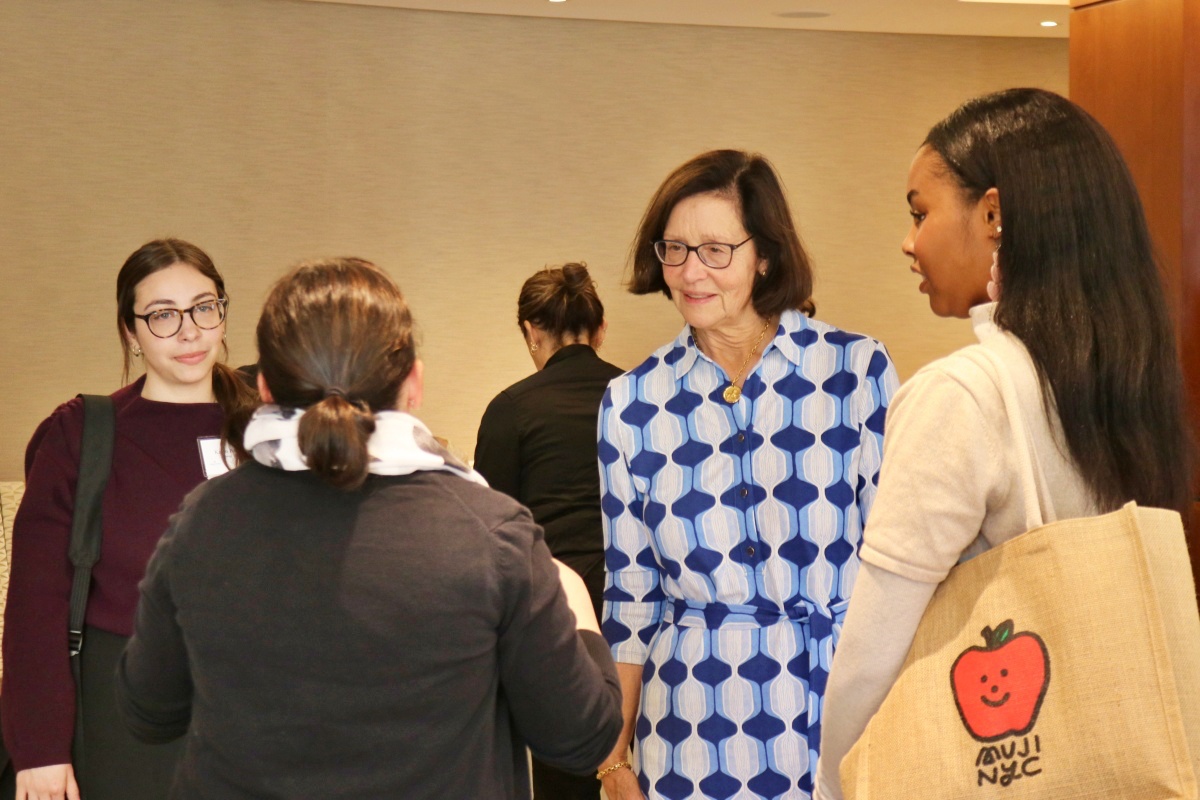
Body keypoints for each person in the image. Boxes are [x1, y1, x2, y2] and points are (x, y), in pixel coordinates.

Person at [115, 257, 624, 798]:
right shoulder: (492, 536)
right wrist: (577, 610)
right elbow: (581, 738)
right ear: (414, 383)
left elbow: (149, 711)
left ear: (264, 388)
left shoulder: (201, 521)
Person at [812, 88, 1193, 800]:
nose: (909, 241)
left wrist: (835, 777)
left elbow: (875, 645)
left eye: (920, 212)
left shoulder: (961, 393)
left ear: (992, 215)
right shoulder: (1126, 382)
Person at [595, 149, 899, 800]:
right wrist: (614, 759)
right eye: (674, 249)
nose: (689, 272)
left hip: (837, 713)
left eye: (715, 250)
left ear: (765, 253)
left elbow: (897, 563)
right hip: (687, 730)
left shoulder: (854, 373)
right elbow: (630, 601)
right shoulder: (632, 403)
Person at [1, 238, 257, 800]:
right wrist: (39, 749)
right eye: (163, 316)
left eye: (203, 306)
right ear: (131, 332)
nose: (189, 331)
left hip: (259, 709)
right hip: (129, 715)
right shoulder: (82, 434)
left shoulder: (271, 427)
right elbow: (35, 602)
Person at [475, 262, 624, 800]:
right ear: (599, 329)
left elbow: (492, 530)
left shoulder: (512, 409)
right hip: (647, 606)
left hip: (559, 613)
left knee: (568, 770)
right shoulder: (640, 398)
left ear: (531, 331)